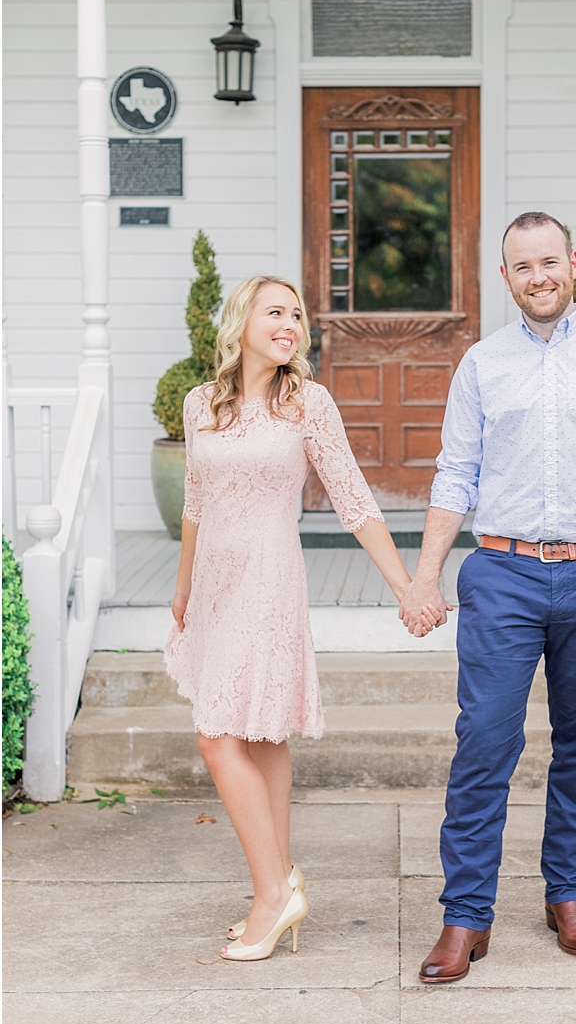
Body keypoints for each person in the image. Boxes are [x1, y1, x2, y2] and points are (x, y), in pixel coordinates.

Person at [399, 211, 576, 983]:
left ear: (572, 265)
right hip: (504, 573)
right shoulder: (482, 364)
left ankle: (567, 895)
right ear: (506, 276)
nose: (538, 276)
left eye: (549, 261)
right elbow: (455, 474)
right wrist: (425, 576)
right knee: (484, 743)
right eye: (522, 266)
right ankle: (464, 915)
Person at [166, 274, 438, 962]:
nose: (290, 323)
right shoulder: (201, 403)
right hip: (216, 586)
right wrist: (182, 588)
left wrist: (407, 585)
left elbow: (352, 500)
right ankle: (278, 877)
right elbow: (195, 502)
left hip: (268, 579)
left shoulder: (306, 403)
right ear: (242, 322)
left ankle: (271, 897)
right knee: (257, 737)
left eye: (297, 315)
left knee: (216, 736)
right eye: (275, 311)